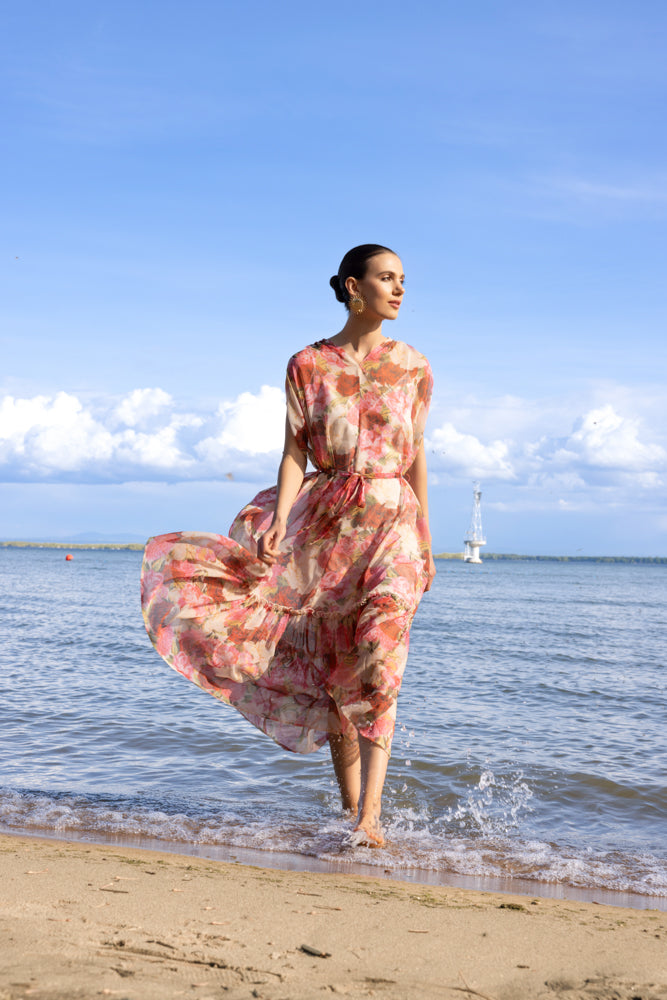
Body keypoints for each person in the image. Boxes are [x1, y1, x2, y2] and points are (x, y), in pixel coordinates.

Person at [141, 243, 435, 848]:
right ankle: (351, 812)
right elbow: (296, 451)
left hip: (394, 525)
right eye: (387, 278)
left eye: (404, 280)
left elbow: (418, 453)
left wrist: (425, 535)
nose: (400, 289)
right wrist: (279, 521)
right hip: (329, 528)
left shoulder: (414, 366)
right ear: (354, 288)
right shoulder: (307, 364)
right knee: (336, 667)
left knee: (382, 654)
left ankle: (371, 820)